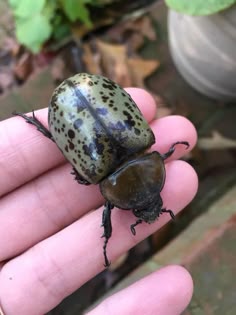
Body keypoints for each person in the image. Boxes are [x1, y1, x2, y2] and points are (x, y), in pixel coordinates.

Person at [0, 88, 198, 315]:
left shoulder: (143, 141)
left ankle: (34, 123)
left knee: (65, 151)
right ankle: (35, 124)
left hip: (92, 95)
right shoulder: (99, 171)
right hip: (85, 100)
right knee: (69, 157)